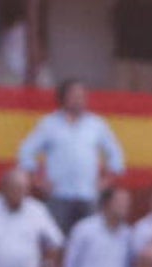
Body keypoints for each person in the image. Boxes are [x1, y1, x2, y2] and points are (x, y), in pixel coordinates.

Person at [17, 79, 126, 234]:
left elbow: (116, 155)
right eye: (74, 96)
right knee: (55, 240)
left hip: (88, 195)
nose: (78, 100)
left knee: (88, 240)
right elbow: (25, 152)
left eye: (82, 96)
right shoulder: (49, 124)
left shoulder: (96, 125)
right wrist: (38, 180)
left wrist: (106, 181)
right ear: (63, 98)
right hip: (58, 195)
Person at [62, 186, 132, 267]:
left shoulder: (128, 234)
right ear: (106, 204)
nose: (125, 206)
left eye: (127, 203)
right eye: (120, 202)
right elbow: (70, 260)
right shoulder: (84, 228)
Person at [111, 0, 152, 92]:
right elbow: (114, 23)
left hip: (144, 58)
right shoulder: (124, 4)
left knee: (141, 97)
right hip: (129, 57)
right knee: (123, 96)